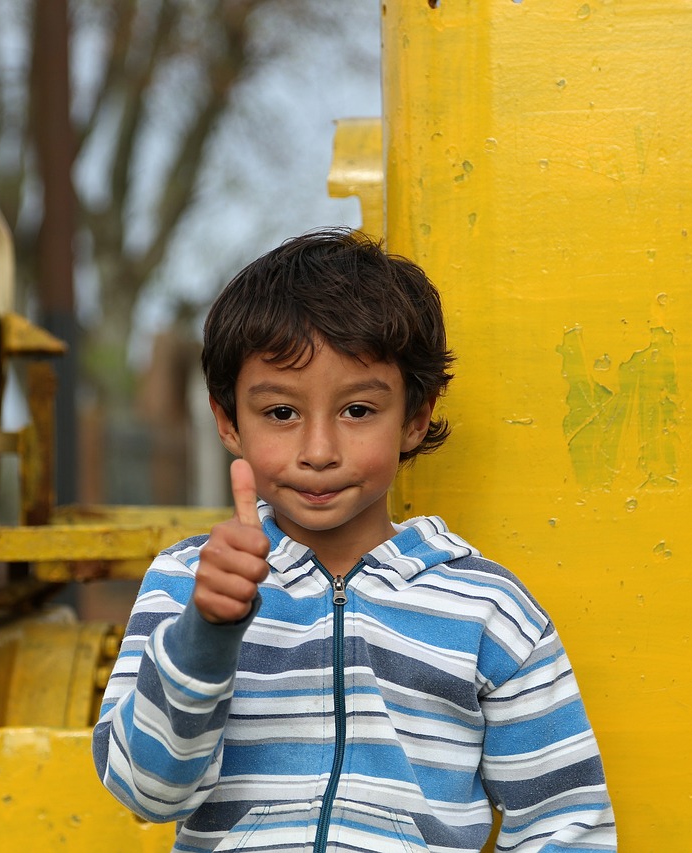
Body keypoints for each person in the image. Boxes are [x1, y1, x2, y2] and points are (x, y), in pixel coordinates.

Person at [92, 228, 616, 852]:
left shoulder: (490, 613)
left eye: (358, 411)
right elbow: (146, 793)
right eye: (281, 413)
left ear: (414, 420)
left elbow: (567, 822)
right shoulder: (187, 582)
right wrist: (206, 634)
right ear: (228, 421)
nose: (318, 452)